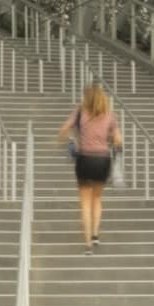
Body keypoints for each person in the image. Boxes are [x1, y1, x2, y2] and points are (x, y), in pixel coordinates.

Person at [60, 80, 122, 246]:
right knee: (97, 198)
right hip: (102, 160)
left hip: (84, 159)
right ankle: (95, 234)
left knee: (85, 202)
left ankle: (87, 241)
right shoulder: (109, 114)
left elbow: (64, 129)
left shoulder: (80, 112)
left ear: (86, 98)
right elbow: (118, 140)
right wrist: (107, 138)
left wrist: (68, 141)